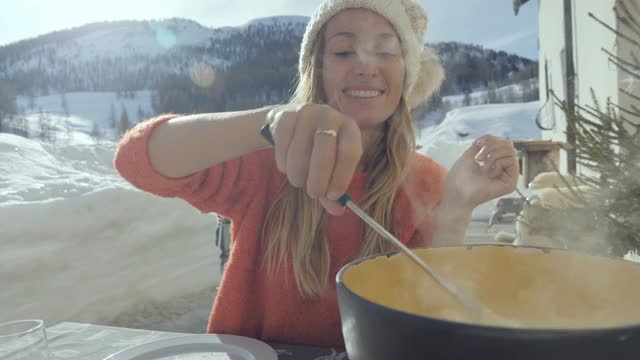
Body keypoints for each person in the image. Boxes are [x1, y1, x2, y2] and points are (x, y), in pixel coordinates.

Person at [113, 0, 518, 348]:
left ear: (406, 74)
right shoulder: (266, 159)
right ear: (316, 71)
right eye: (343, 52)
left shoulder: (427, 181)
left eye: (386, 52)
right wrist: (268, 122)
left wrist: (457, 208)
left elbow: (433, 311)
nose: (365, 66)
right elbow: (137, 161)